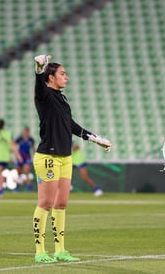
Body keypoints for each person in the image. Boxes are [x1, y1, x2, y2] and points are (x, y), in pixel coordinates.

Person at [31, 55, 111, 263]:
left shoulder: (62, 98)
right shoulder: (45, 95)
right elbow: (39, 87)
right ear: (51, 77)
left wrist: (95, 138)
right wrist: (39, 69)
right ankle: (40, 252)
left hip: (66, 157)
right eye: (62, 74)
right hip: (47, 156)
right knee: (46, 202)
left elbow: (71, 125)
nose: (66, 77)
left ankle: (60, 251)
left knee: (62, 203)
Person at [0, 119, 23, 198]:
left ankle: (0, 191)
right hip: (5, 157)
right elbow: (13, 146)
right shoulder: (8, 133)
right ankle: (0, 188)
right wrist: (18, 156)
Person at [14, 126, 36, 191]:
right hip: (20, 157)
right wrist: (17, 155)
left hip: (27, 157)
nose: (26, 133)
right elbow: (14, 146)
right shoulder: (19, 139)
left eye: (27, 131)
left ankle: (29, 186)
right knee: (18, 172)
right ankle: (17, 186)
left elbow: (33, 148)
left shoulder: (31, 140)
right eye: (25, 131)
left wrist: (35, 156)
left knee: (26, 171)